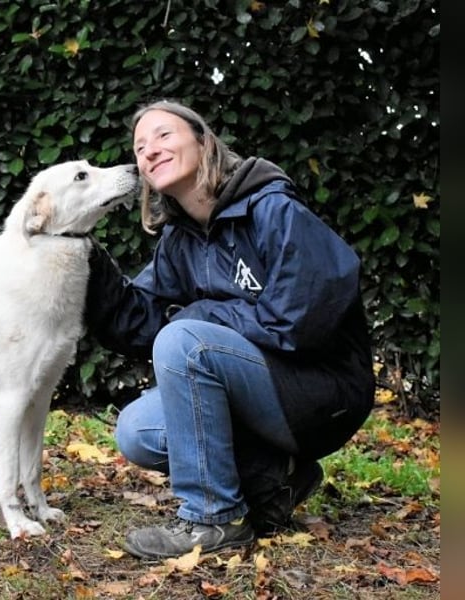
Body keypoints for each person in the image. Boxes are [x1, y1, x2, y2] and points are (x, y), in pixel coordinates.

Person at [85, 99, 375, 560]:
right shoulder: (179, 240)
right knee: (137, 430)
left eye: (163, 135)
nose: (149, 151)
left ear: (203, 141)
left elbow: (301, 321)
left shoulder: (272, 208)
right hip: (263, 398)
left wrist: (204, 315)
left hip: (324, 391)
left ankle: (214, 519)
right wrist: (89, 261)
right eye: (140, 146)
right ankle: (273, 478)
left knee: (186, 340)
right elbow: (143, 324)